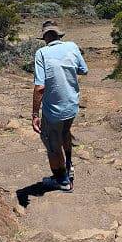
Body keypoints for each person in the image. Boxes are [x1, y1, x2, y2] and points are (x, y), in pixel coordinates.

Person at [32, 20, 88, 192]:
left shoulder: (41, 53)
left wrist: (35, 114)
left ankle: (62, 180)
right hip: (72, 105)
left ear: (45, 37)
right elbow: (83, 69)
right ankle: (69, 166)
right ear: (59, 35)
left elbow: (40, 87)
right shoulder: (72, 46)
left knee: (51, 145)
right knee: (65, 133)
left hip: (54, 110)